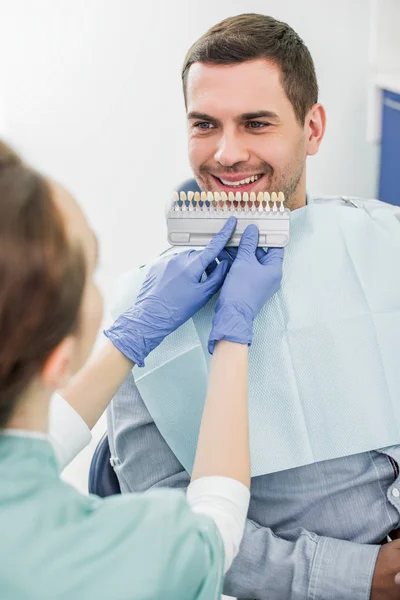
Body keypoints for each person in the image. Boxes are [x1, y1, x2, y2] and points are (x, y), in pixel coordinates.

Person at [108, 13, 400, 600]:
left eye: (256, 123)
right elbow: (167, 522)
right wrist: (359, 580)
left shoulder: (387, 240)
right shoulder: (147, 313)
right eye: (204, 124)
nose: (227, 152)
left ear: (312, 128)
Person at [0, 140, 284, 599]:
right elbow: (215, 527)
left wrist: (129, 338)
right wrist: (234, 332)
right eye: (90, 270)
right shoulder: (101, 556)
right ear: (58, 358)